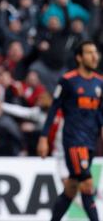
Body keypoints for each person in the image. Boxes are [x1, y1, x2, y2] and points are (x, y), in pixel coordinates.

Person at [37, 40, 102, 221]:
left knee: (72, 188)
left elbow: (100, 111)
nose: (94, 56)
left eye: (95, 52)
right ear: (79, 58)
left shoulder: (99, 82)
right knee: (87, 185)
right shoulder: (68, 81)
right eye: (89, 53)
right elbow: (53, 110)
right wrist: (44, 138)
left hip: (90, 141)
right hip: (73, 141)